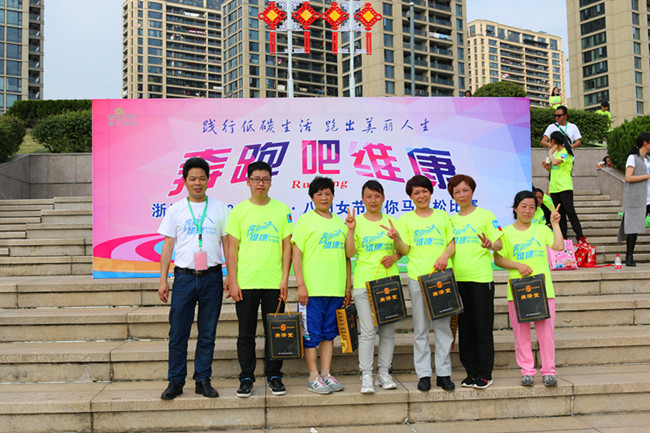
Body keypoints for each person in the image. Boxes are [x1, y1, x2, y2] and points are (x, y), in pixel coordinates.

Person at [158, 157, 230, 400]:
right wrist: (163, 280)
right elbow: (168, 245)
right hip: (184, 278)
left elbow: (227, 244)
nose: (197, 183)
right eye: (192, 179)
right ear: (185, 181)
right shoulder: (176, 209)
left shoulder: (219, 208)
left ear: (208, 180)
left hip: (212, 277)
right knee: (178, 332)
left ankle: (203, 380)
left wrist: (231, 275)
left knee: (207, 333)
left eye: (201, 178)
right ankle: (175, 381)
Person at [225, 161, 294, 398]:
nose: (260, 183)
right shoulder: (238, 211)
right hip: (246, 283)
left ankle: (274, 375)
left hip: (274, 283)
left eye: (265, 179)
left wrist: (285, 279)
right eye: (256, 179)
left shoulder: (282, 210)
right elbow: (232, 249)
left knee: (275, 332)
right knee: (246, 334)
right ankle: (246, 377)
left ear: (271, 182)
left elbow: (287, 247)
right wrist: (233, 280)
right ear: (248, 182)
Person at [384, 175, 456, 392]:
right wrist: (397, 238)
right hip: (417, 279)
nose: (421, 195)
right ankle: (424, 374)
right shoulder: (406, 220)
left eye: (424, 191)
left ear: (430, 193)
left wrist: (444, 256)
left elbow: (452, 243)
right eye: (416, 192)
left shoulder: (443, 216)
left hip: (441, 279)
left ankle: (443, 373)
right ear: (410, 196)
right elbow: (405, 250)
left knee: (443, 328)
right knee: (421, 329)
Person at [494, 190, 564, 387]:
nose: (527, 211)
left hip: (543, 289)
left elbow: (559, 246)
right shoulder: (506, 232)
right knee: (521, 334)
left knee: (546, 334)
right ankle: (527, 371)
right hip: (518, 290)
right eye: (523, 206)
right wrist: (518, 265)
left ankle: (549, 371)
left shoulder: (541, 229)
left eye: (532, 207)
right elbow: (498, 259)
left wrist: (555, 224)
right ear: (515, 208)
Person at [292, 176, 352, 394]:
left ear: (333, 196)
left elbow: (348, 257)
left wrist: (347, 287)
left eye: (328, 193)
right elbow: (296, 255)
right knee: (311, 336)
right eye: (319, 194)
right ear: (312, 197)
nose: (324, 197)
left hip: (335, 289)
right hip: (313, 291)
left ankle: (326, 374)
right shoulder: (305, 220)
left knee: (328, 334)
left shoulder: (340, 223)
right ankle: (313, 376)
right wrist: (301, 285)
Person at [345, 180, 401, 394]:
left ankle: (384, 373)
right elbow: (350, 253)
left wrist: (394, 255)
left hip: (388, 283)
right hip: (364, 284)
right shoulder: (356, 222)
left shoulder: (392, 222)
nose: (373, 200)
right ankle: (366, 375)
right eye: (369, 196)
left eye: (377, 196)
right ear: (362, 199)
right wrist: (351, 231)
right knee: (368, 332)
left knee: (387, 333)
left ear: (383, 198)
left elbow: (404, 250)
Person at [447, 174, 503, 390]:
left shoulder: (486, 215)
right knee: (466, 328)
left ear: (472, 191)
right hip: (459, 279)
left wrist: (490, 245)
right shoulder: (451, 220)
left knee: (482, 326)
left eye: (465, 190)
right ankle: (470, 372)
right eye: (457, 192)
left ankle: (485, 374)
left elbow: (498, 244)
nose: (461, 195)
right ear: (452, 195)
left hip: (481, 279)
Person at [542, 131, 586, 243]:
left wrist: (550, 154)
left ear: (553, 140)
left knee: (570, 212)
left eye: (550, 140)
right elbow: (553, 169)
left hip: (564, 187)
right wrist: (547, 167)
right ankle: (563, 237)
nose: (549, 143)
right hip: (554, 187)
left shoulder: (566, 152)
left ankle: (580, 236)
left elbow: (556, 163)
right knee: (559, 214)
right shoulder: (556, 153)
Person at [618, 132, 650, 266]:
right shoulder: (632, 158)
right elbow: (628, 177)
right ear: (645, 143)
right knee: (633, 228)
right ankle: (629, 256)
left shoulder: (648, 159)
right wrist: (647, 176)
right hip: (637, 198)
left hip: (649, 197)